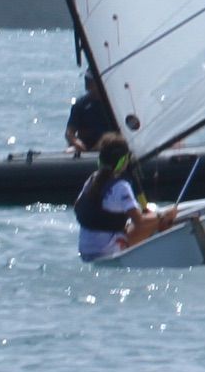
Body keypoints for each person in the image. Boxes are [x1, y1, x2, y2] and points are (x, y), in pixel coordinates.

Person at [72, 134, 166, 262]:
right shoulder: (121, 186)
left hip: (85, 252)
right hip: (107, 253)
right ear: (123, 161)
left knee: (133, 223)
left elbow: (80, 207)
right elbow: (140, 222)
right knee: (160, 219)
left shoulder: (92, 179)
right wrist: (163, 216)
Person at [63, 70, 117, 156]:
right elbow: (70, 133)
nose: (87, 83)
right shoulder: (80, 104)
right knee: (69, 151)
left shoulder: (113, 103)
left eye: (90, 80)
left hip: (109, 145)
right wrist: (78, 143)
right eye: (86, 79)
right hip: (86, 146)